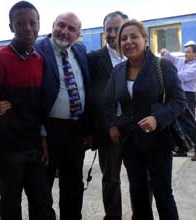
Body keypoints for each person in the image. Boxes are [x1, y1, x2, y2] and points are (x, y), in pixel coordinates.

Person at [0, 12, 91, 220]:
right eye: (61, 25)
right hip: (46, 132)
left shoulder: (81, 51)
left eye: (71, 29)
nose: (65, 31)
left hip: (75, 131)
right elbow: (11, 84)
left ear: (78, 35)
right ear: (52, 25)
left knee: (73, 185)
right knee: (41, 192)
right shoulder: (35, 50)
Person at [0, 1, 56, 220]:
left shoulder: (39, 59)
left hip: (35, 148)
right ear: (11, 27)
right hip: (7, 150)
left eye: (32, 22)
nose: (27, 27)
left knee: (44, 206)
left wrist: (44, 136)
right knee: (10, 207)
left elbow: (38, 105)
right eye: (20, 23)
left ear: (39, 25)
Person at [103, 19, 184, 220]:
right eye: (124, 39)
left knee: (162, 194)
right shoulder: (119, 70)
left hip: (159, 141)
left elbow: (179, 101)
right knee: (137, 193)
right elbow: (107, 101)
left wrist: (157, 118)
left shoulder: (162, 66)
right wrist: (112, 124)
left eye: (133, 36)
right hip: (131, 142)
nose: (128, 42)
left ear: (145, 39)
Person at [87, 11, 127, 220]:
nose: (112, 33)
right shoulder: (94, 59)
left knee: (142, 177)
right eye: (108, 29)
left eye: (117, 28)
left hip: (136, 129)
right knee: (111, 179)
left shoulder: (137, 55)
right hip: (108, 130)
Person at [161, 41, 196, 161]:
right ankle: (182, 149)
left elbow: (183, 77)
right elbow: (171, 58)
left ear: (195, 54)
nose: (185, 54)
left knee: (190, 124)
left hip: (188, 96)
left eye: (188, 52)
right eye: (185, 52)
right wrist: (165, 52)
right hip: (178, 95)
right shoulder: (180, 61)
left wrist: (170, 74)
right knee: (176, 123)